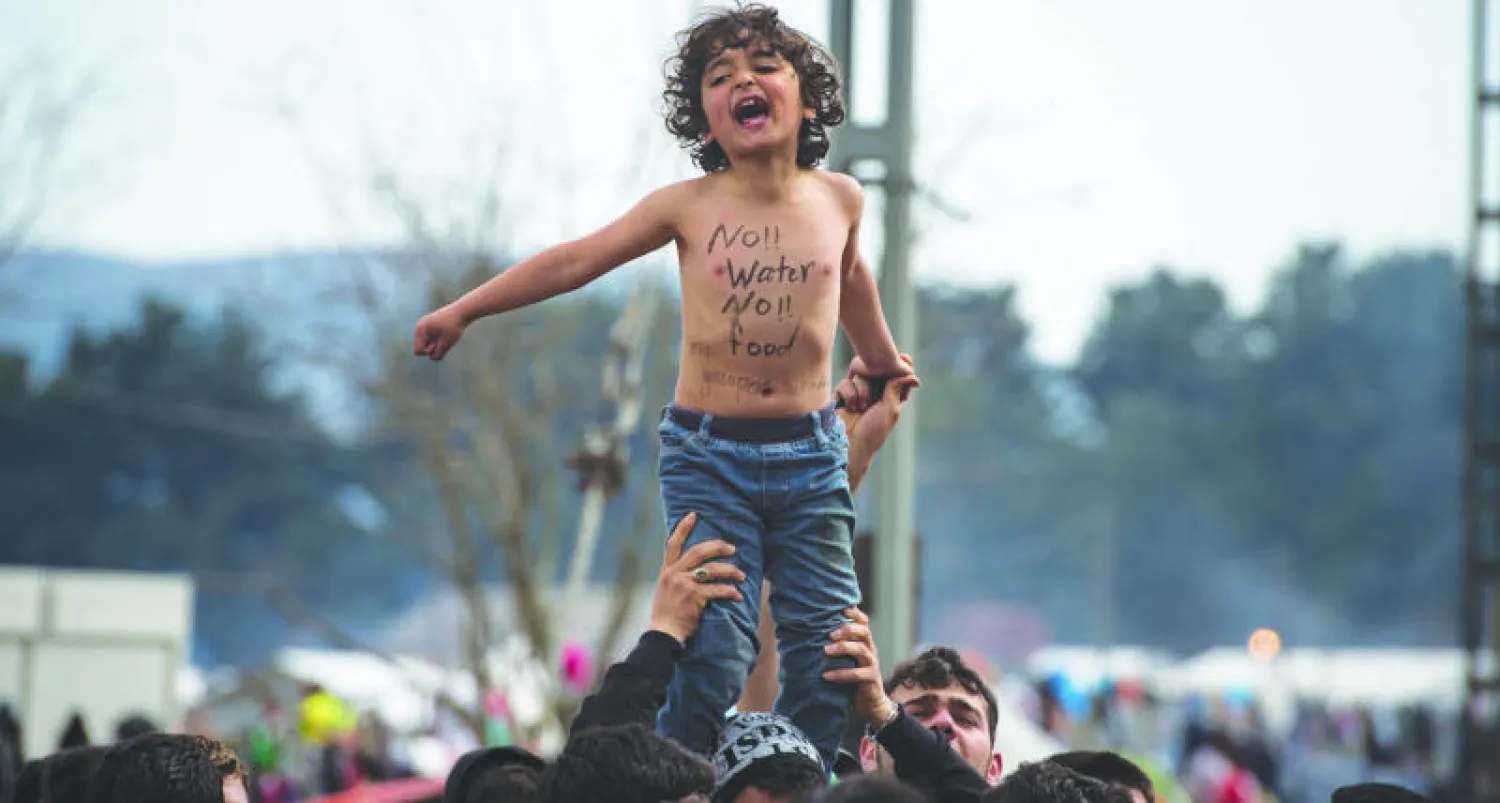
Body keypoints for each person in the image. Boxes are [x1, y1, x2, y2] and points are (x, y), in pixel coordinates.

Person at [411, 2, 917, 772]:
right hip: (712, 457)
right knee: (716, 650)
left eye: (763, 67)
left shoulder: (839, 198)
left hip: (812, 458)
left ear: (807, 101)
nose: (742, 81)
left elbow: (849, 281)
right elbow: (577, 259)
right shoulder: (688, 206)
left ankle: (803, 784)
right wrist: (466, 309)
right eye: (720, 76)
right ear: (705, 118)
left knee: (830, 656)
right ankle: (686, 780)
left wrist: (879, 360)